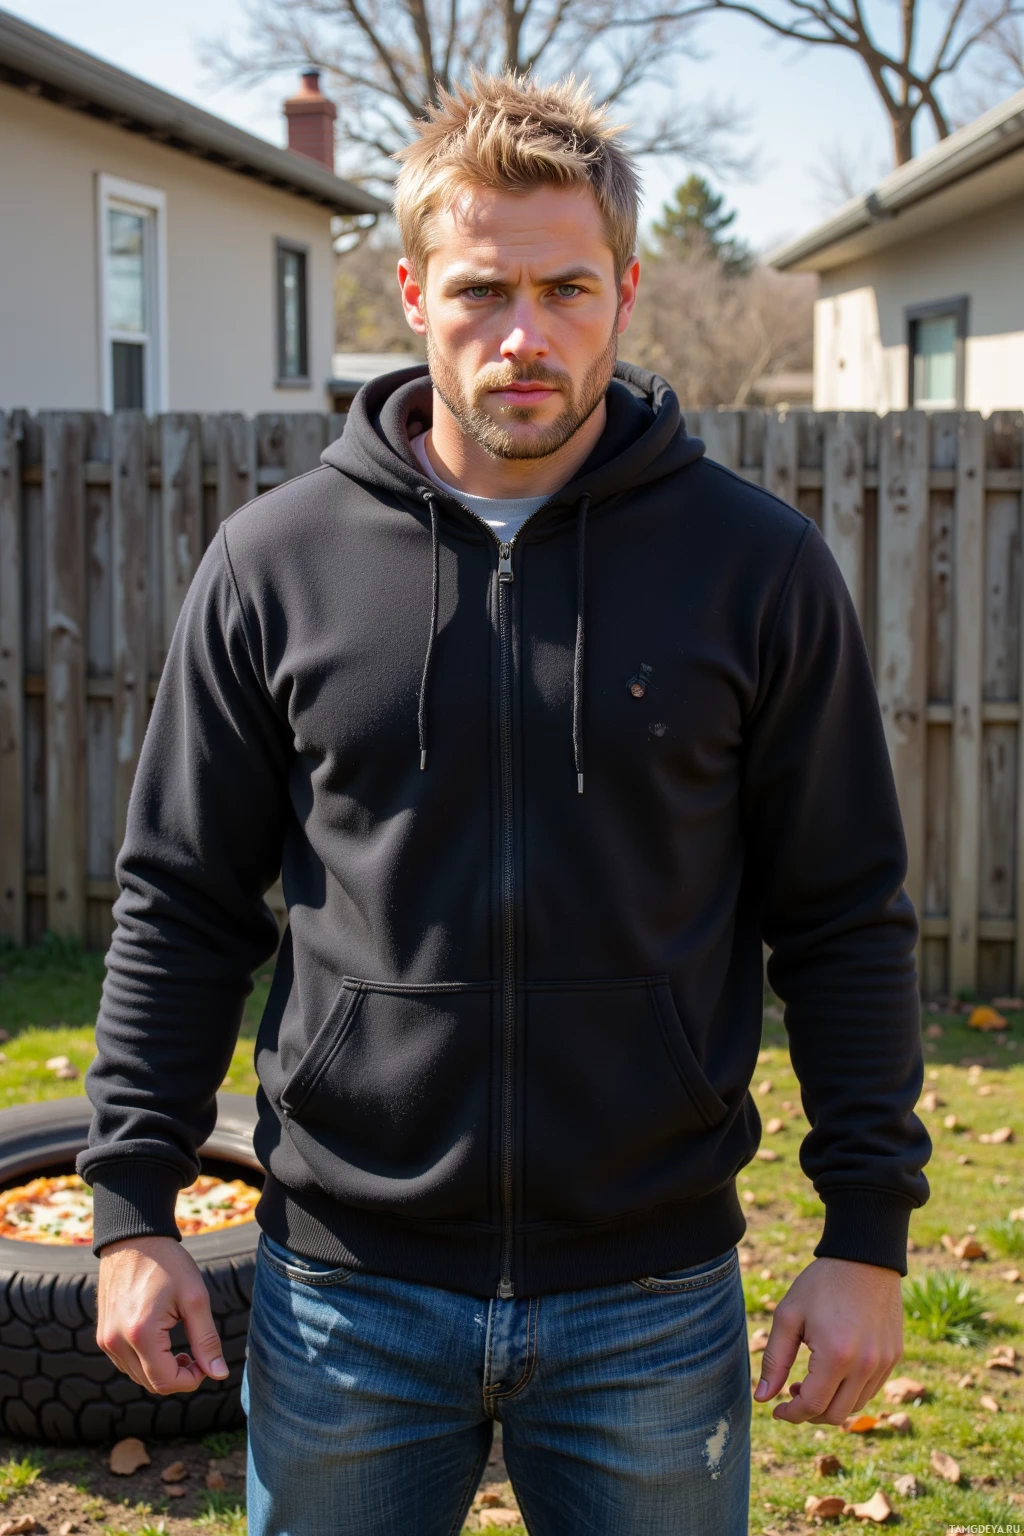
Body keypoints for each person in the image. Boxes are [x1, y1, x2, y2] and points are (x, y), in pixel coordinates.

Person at [82, 70, 932, 1536]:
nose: (524, 337)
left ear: (627, 290)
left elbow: (846, 915)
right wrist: (132, 1208)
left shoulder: (757, 567)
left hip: (650, 1300)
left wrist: (866, 1237)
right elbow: (182, 899)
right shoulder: (273, 564)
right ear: (412, 290)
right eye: (481, 291)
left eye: (566, 288)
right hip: (348, 1294)